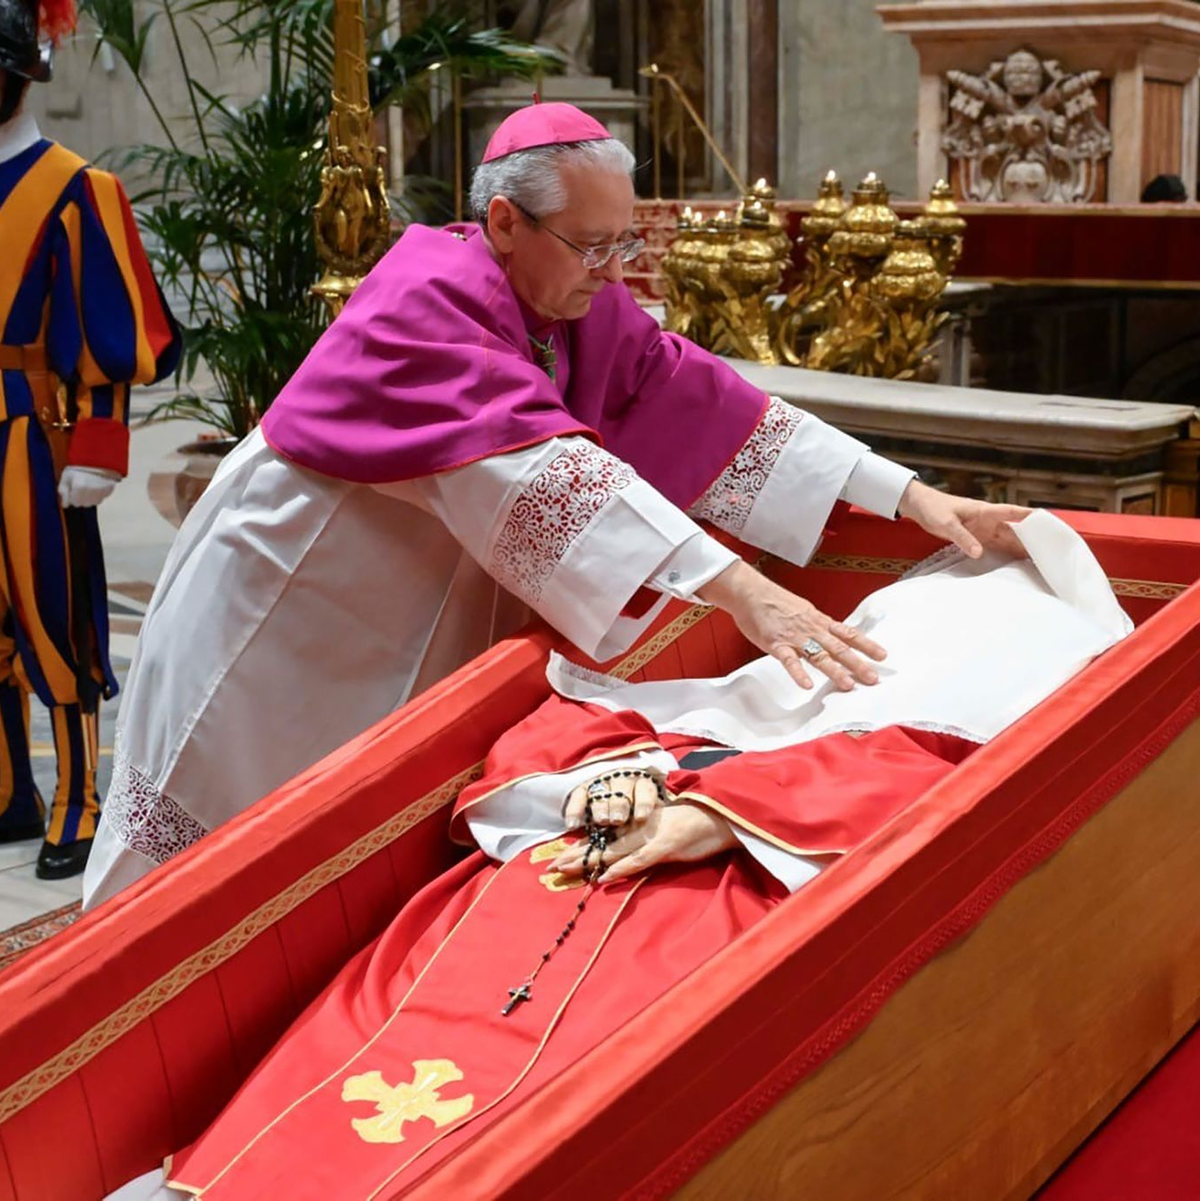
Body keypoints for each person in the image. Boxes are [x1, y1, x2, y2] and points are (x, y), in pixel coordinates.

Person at [85, 100, 1026, 908]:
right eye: (592, 245)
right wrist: (744, 591)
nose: (615, 270)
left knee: (333, 850)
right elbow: (547, 476)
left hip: (398, 618)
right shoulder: (426, 300)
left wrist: (909, 493)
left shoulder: (571, 302)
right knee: (194, 853)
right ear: (504, 223)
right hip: (283, 615)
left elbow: (707, 403)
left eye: (626, 243)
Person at [106, 510, 1132, 1199]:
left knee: (568, 1066)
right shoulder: (791, 676)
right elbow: (562, 733)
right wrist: (621, 772)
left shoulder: (971, 722)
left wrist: (723, 811)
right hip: (573, 858)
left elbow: (933, 794)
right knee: (403, 1014)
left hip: (732, 888)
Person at [0, 0, 181, 878]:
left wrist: (99, 447)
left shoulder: (77, 189)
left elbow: (110, 329)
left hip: (35, 430)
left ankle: (80, 795)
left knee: (56, 618)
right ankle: (8, 790)